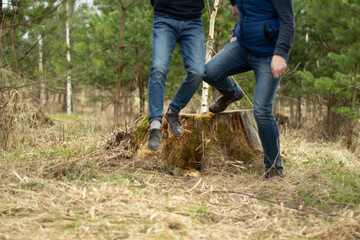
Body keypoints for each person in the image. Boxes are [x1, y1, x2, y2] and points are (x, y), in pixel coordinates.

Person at [204, 0, 295, 178]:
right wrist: (235, 32)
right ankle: (232, 93)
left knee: (261, 110)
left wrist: (280, 53)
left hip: (269, 53)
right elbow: (239, 8)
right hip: (242, 48)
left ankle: (274, 169)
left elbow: (288, 21)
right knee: (209, 72)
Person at [147, 0, 205, 151]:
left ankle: (173, 111)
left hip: (193, 21)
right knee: (158, 68)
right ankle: (154, 125)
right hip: (164, 19)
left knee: (197, 72)